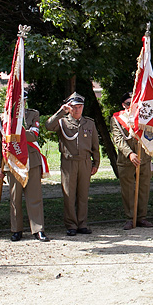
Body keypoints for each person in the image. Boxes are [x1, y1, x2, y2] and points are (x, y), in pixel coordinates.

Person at [46, 92, 100, 236]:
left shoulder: (89, 123)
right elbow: (48, 126)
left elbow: (95, 145)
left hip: (85, 162)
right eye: (74, 107)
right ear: (69, 107)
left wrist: (96, 163)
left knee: (83, 195)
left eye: (80, 107)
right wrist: (61, 111)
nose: (77, 110)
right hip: (69, 162)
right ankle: (71, 225)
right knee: (69, 195)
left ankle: (82, 224)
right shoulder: (62, 122)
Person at [0, 100, 48, 242]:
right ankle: (16, 230)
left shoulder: (32, 114)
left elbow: (33, 135)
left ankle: (38, 229)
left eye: (23, 100)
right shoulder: (2, 118)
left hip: (32, 161)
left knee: (35, 197)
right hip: (12, 162)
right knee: (15, 198)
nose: (20, 103)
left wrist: (15, 128)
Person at [111, 92, 153, 230]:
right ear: (123, 105)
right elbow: (118, 139)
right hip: (126, 160)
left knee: (144, 189)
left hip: (143, 158)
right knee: (128, 190)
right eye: (128, 103)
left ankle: (142, 217)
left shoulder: (144, 117)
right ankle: (130, 218)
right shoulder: (117, 119)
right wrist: (129, 153)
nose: (132, 106)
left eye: (134, 102)